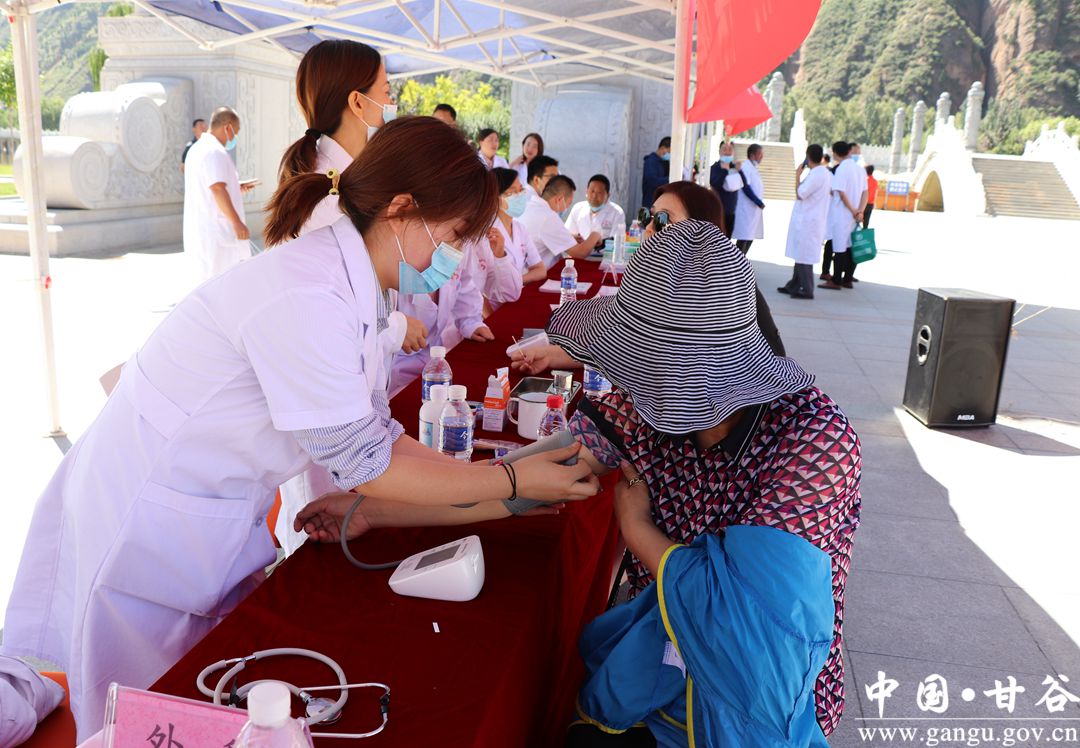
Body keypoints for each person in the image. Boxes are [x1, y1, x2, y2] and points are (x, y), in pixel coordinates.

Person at [2, 117, 599, 741]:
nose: (450, 264)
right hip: (144, 514)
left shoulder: (358, 282)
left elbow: (377, 435)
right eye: (451, 239)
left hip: (209, 506)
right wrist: (506, 483)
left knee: (210, 696)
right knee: (151, 714)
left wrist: (490, 486)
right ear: (401, 211)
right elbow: (369, 462)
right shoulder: (307, 293)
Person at [540, 220, 861, 746]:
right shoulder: (643, 404)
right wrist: (484, 484)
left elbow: (741, 629)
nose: (628, 383)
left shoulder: (814, 442)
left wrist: (636, 528)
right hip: (656, 675)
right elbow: (550, 467)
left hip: (756, 706)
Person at [272, 39, 421, 555]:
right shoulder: (328, 201)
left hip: (344, 398)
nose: (391, 100)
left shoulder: (343, 183)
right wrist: (396, 328)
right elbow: (335, 312)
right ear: (358, 102)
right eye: (386, 89)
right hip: (330, 406)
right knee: (324, 531)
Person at [513, 180, 786, 370]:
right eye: (649, 216)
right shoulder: (664, 280)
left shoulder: (720, 294)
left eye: (664, 219)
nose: (649, 228)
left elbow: (662, 364)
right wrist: (551, 355)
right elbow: (625, 343)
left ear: (701, 230)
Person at [182, 106, 255, 283]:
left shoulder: (197, 149)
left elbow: (209, 185)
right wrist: (237, 222)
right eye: (235, 131)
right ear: (227, 127)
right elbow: (217, 188)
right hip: (218, 235)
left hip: (204, 232)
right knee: (223, 285)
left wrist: (235, 187)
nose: (234, 137)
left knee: (209, 285)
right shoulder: (214, 151)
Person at [479, 167, 546, 313]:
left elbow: (540, 270)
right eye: (512, 192)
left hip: (514, 299)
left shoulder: (519, 228)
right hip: (491, 309)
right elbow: (474, 286)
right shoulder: (485, 233)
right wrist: (490, 318)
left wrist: (515, 281)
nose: (520, 195)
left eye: (520, 189)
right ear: (495, 198)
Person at [779, 144, 831, 299]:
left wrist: (797, 176)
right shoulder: (822, 172)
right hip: (811, 219)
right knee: (800, 254)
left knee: (804, 257)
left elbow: (801, 193)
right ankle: (794, 285)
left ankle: (807, 290)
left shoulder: (817, 174)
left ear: (808, 157)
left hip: (809, 221)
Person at [520, 174, 601, 268]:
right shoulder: (548, 217)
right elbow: (580, 253)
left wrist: (568, 237)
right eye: (568, 203)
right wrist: (595, 234)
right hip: (539, 273)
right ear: (559, 199)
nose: (567, 208)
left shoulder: (529, 206)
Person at [819, 141, 867, 290]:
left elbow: (840, 192)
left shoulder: (841, 169)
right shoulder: (860, 169)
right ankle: (847, 279)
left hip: (842, 214)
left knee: (839, 247)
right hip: (855, 215)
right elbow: (865, 192)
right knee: (851, 246)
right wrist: (860, 211)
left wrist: (853, 210)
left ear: (835, 153)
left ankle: (836, 280)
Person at [564, 174, 627, 249]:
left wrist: (601, 242)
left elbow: (617, 240)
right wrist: (574, 238)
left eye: (599, 193)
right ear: (586, 192)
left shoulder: (617, 212)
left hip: (603, 254)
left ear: (608, 195)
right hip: (579, 252)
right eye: (592, 191)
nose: (594, 196)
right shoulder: (577, 208)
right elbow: (567, 234)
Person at [727, 143, 766, 255]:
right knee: (744, 238)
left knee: (749, 237)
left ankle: (741, 260)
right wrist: (757, 201)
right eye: (760, 154)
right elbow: (745, 186)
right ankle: (737, 261)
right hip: (746, 209)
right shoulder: (746, 167)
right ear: (752, 155)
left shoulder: (752, 168)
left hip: (752, 211)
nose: (762, 156)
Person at [708, 141, 738, 237]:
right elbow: (715, 183)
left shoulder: (735, 168)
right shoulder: (714, 168)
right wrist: (724, 170)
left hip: (731, 212)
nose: (727, 152)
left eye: (730, 150)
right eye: (724, 149)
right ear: (719, 152)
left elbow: (743, 184)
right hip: (717, 212)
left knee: (727, 240)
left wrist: (740, 171)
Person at [641, 136, 671, 209]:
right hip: (650, 203)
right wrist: (670, 178)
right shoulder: (650, 161)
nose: (670, 155)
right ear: (663, 148)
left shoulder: (663, 162)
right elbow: (652, 181)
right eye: (669, 152)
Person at [863, 164, 877, 229]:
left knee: (857, 221)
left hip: (863, 203)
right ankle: (864, 234)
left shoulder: (864, 180)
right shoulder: (875, 181)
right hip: (871, 204)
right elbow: (875, 193)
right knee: (866, 222)